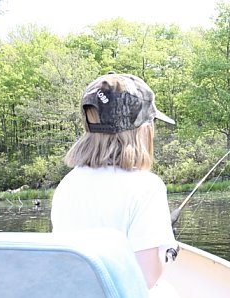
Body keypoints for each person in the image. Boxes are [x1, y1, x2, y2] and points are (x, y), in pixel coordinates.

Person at [51, 72, 178, 291]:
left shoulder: (68, 183)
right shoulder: (147, 187)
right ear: (144, 131)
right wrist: (166, 257)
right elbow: (146, 277)